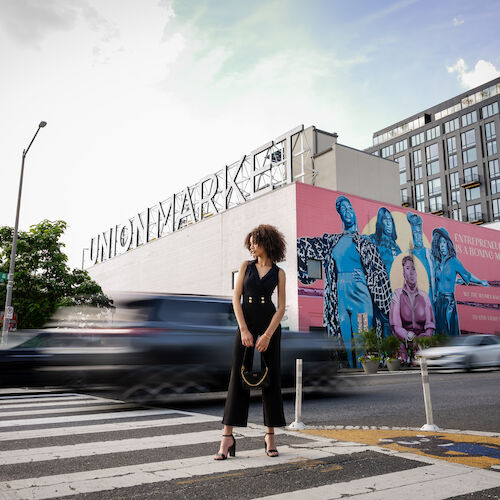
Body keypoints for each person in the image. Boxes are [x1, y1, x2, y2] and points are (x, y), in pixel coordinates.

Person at [215, 224, 287, 460]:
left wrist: (267, 335)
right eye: (251, 242)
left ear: (267, 243)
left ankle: (270, 436)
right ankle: (227, 437)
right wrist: (244, 329)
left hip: (269, 326)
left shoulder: (279, 273)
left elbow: (282, 307)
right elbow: (236, 300)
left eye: (256, 241)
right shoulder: (246, 267)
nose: (252, 246)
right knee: (237, 376)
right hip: (246, 324)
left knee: (271, 379)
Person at [297, 196, 391, 367]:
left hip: (361, 297)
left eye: (350, 208)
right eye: (343, 209)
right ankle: (353, 371)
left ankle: (365, 372)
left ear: (354, 213)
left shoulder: (365, 243)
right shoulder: (331, 241)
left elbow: (379, 273)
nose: (347, 211)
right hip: (340, 298)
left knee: (362, 338)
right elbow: (304, 247)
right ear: (339, 214)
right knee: (345, 341)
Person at [431, 227, 489, 336]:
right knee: (439, 332)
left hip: (449, 302)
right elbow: (436, 281)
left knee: (450, 332)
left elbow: (467, 275)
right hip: (438, 301)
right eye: (440, 243)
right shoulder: (437, 262)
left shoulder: (453, 261)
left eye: (444, 242)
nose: (442, 246)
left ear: (448, 244)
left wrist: (481, 282)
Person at [390, 255, 435, 363]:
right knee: (401, 359)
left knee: (422, 359)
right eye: (407, 268)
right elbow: (396, 326)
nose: (411, 272)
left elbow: (430, 325)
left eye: (414, 269)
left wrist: (423, 338)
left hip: (421, 341)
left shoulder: (424, 297)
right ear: (403, 273)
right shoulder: (397, 295)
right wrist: (409, 337)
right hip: (403, 340)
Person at [407, 212, 435, 304]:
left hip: (430, 296)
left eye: (419, 232)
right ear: (411, 234)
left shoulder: (429, 253)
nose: (418, 236)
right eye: (415, 232)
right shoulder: (408, 254)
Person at [369, 207, 401, 277]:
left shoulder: (396, 246)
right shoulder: (373, 240)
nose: (388, 223)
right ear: (380, 221)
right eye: (385, 219)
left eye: (390, 220)